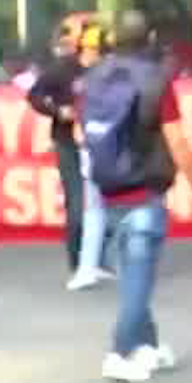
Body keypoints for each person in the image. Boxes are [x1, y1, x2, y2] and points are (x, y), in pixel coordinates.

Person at [79, 11, 192, 383]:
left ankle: (147, 346)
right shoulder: (156, 80)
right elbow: (176, 138)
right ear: (150, 36)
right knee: (139, 279)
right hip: (145, 187)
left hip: (108, 186)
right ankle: (119, 352)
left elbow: (81, 128)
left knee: (134, 273)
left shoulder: (94, 76)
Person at [27, 25, 88, 277]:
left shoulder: (96, 69)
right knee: (77, 200)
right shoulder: (59, 70)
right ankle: (78, 259)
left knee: (98, 202)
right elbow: (34, 96)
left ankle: (93, 257)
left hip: (97, 142)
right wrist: (57, 111)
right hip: (67, 141)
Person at [66, 25, 114, 291]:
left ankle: (89, 267)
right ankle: (90, 266)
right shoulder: (108, 76)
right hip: (103, 150)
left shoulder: (94, 78)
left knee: (99, 210)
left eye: (91, 49)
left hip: (103, 150)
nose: (86, 54)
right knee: (98, 209)